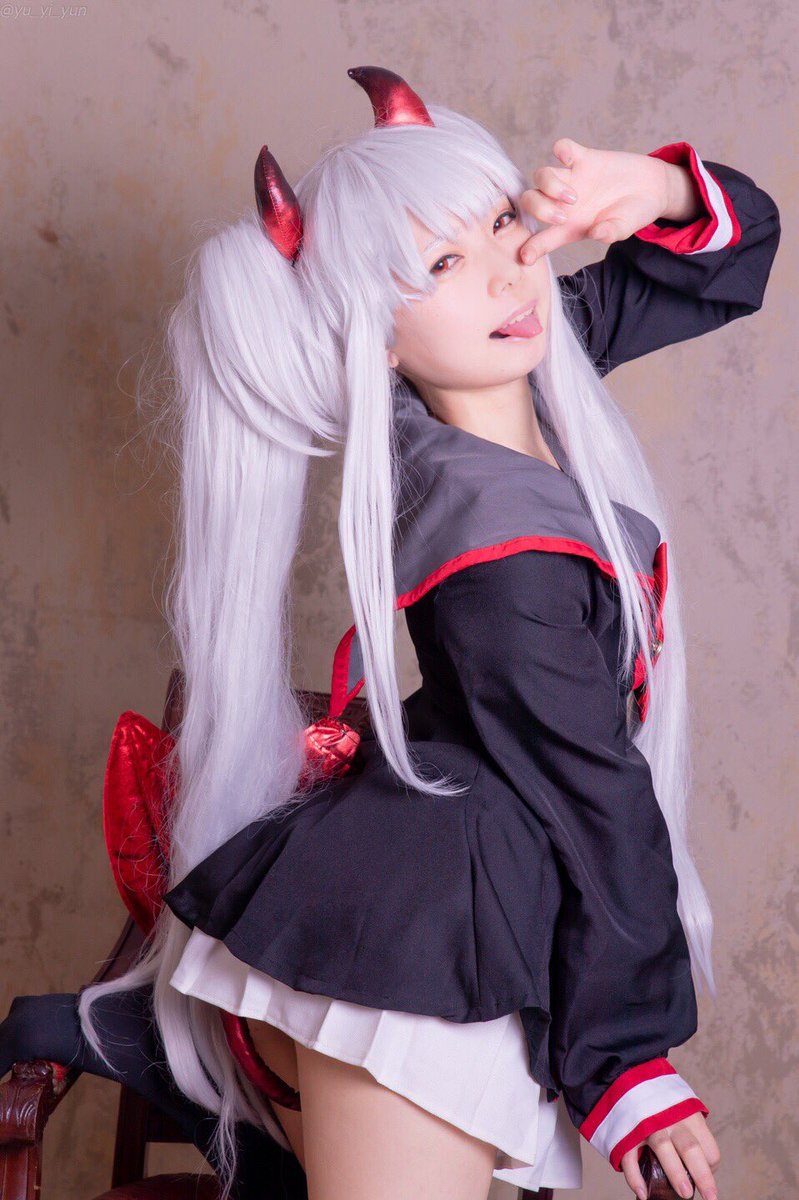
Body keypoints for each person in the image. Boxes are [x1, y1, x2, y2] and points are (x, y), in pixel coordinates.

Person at [69, 65, 779, 1200]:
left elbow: (729, 265)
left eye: (498, 223)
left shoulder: (527, 354)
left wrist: (652, 188)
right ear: (379, 338)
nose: (504, 272)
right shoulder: (495, 550)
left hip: (473, 880)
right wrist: (631, 1062)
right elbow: (592, 788)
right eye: (440, 265)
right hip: (422, 916)